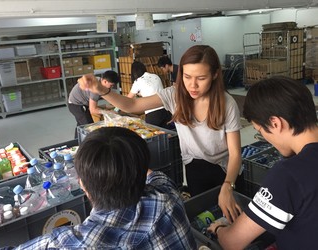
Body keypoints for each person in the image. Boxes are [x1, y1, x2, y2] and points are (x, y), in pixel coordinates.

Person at [78, 45, 244, 223]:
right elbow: (132, 106)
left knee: (232, 218)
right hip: (195, 166)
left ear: (215, 75)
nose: (192, 85)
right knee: (206, 218)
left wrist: (228, 186)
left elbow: (235, 154)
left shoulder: (227, 104)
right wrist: (102, 90)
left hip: (226, 170)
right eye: (187, 77)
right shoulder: (174, 95)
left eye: (201, 78)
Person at [0, 127, 197, 249]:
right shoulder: (166, 194)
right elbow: (152, 174)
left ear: (82, 185)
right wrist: (124, 158)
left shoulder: (72, 243)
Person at [207, 76, 318, 249]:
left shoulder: (288, 174)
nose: (264, 138)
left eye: (260, 131)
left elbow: (232, 242)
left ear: (275, 123)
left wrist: (220, 229)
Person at [67, 70, 119, 138]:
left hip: (78, 103)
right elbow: (93, 110)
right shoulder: (95, 89)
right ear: (105, 81)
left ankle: (76, 142)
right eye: (111, 85)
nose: (111, 88)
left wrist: (107, 106)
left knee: (81, 125)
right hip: (76, 105)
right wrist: (109, 112)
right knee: (90, 128)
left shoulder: (99, 80)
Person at [127, 61, 173, 129]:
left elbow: (128, 98)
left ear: (134, 72)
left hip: (152, 113)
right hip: (166, 110)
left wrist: (116, 107)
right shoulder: (155, 76)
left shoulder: (138, 81)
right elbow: (155, 90)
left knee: (154, 135)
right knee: (169, 135)